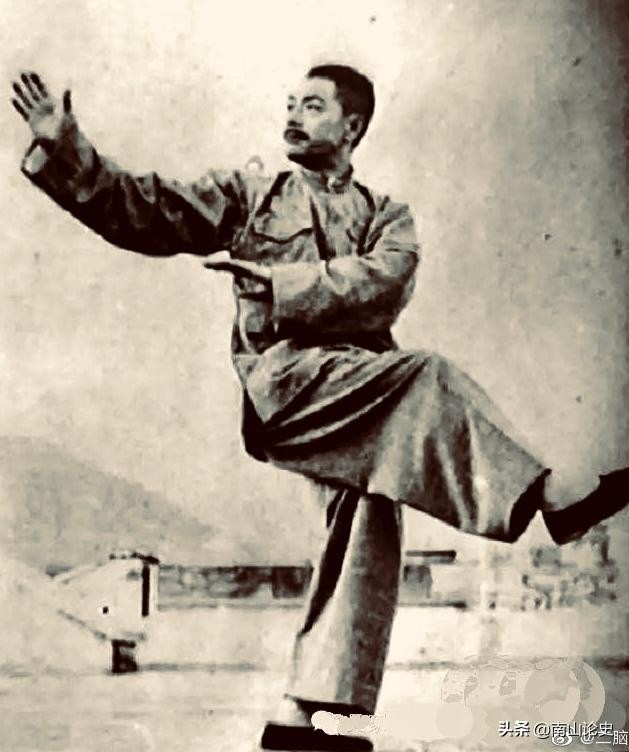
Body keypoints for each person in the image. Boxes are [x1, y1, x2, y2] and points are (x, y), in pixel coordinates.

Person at [11, 65, 628, 752]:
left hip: (359, 394)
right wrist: (66, 149)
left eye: (311, 105)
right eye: (289, 103)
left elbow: (385, 283)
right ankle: (553, 496)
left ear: (352, 126)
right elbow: (144, 210)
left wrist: (280, 281)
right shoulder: (251, 196)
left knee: (366, 509)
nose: (292, 115)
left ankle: (304, 715)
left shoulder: (388, 217)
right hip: (289, 387)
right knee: (427, 373)